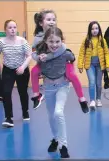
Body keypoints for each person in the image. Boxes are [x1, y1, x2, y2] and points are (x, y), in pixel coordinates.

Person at [32, 27, 73, 158]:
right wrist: (39, 57)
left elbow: (72, 58)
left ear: (61, 41)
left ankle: (63, 145)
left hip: (62, 86)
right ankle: (55, 138)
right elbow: (32, 54)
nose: (54, 45)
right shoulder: (41, 52)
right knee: (51, 116)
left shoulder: (64, 52)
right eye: (51, 42)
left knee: (58, 112)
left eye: (57, 42)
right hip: (48, 87)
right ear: (45, 41)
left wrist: (69, 71)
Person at [0, 20, 32, 127]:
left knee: (22, 92)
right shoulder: (1, 42)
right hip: (8, 70)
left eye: (14, 27)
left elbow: (29, 55)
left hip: (22, 69)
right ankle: (9, 117)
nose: (13, 29)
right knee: (6, 92)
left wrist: (23, 67)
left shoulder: (22, 41)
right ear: (5, 30)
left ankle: (25, 112)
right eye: (10, 27)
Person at [78, 21, 109, 110]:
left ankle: (98, 99)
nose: (94, 30)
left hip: (100, 65)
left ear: (99, 29)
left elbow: (107, 53)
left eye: (96, 28)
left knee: (98, 83)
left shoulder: (102, 40)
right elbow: (81, 53)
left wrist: (108, 65)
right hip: (90, 64)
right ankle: (92, 100)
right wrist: (80, 65)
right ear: (90, 30)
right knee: (92, 82)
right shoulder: (86, 40)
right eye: (92, 29)